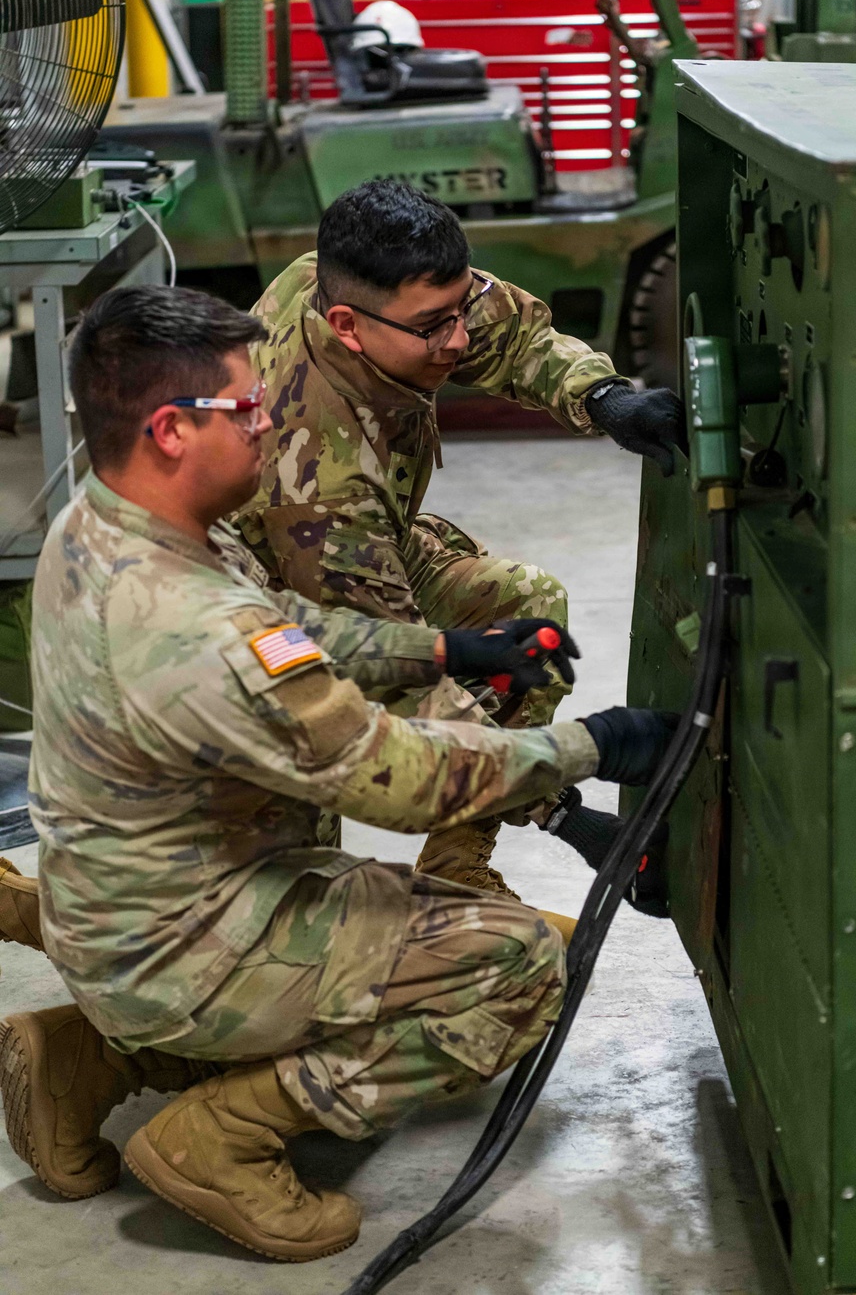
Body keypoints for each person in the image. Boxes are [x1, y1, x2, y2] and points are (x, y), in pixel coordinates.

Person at [0, 284, 674, 1261]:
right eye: (245, 408)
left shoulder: (102, 530)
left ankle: (92, 1057)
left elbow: (286, 626)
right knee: (517, 968)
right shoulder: (196, 633)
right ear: (170, 431)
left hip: (132, 905)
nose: (271, 418)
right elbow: (398, 780)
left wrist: (443, 655)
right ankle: (221, 1140)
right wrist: (592, 745)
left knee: (372, 913)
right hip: (180, 937)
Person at [237, 178, 685, 896]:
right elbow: (406, 682)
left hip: (374, 546)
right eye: (432, 327)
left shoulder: (338, 281)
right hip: (280, 614)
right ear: (349, 325)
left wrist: (604, 398)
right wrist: (564, 812)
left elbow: (508, 332)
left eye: (457, 309)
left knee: (520, 605)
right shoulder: (323, 480)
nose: (459, 339)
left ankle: (459, 867)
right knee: (298, 854)